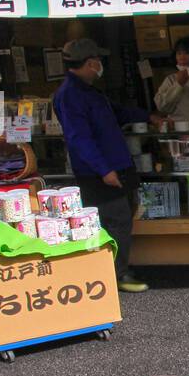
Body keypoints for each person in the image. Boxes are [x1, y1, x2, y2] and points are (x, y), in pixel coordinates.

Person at [52, 37, 163, 293]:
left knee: (122, 216)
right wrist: (104, 170)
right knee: (116, 221)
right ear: (91, 63)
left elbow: (118, 112)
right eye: (98, 61)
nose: (100, 65)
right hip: (100, 173)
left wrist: (148, 116)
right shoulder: (70, 95)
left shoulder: (88, 91)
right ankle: (115, 275)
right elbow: (79, 139)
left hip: (116, 165)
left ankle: (117, 270)